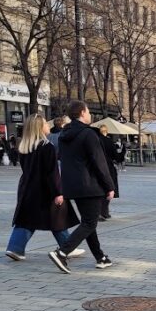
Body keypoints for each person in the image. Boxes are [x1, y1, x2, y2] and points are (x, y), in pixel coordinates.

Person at [47, 101, 115, 273]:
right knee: (90, 223)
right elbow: (99, 163)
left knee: (88, 222)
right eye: (88, 112)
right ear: (83, 112)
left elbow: (62, 158)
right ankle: (62, 252)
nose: (90, 115)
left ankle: (100, 257)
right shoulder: (88, 134)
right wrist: (109, 185)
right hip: (90, 185)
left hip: (73, 185)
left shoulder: (64, 134)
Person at [5, 114, 83, 261]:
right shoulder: (47, 147)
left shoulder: (24, 147)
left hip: (27, 187)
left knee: (27, 218)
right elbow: (52, 173)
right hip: (45, 189)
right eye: (46, 123)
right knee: (57, 216)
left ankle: (15, 247)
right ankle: (67, 247)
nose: (48, 126)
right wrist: (58, 192)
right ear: (40, 127)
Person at [96, 125, 118, 220]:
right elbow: (116, 156)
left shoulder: (95, 140)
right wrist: (122, 151)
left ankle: (101, 212)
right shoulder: (109, 141)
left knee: (100, 189)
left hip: (97, 167)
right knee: (109, 188)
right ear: (106, 131)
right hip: (108, 166)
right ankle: (104, 211)